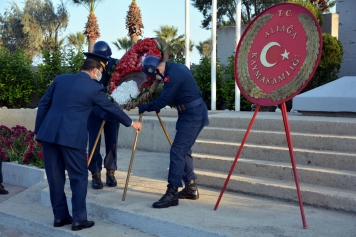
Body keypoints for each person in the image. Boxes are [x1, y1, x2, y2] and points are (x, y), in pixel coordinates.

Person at [34, 53, 142, 231]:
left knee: (55, 179)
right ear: (94, 70)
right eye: (100, 71)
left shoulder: (60, 79)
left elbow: (44, 104)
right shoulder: (94, 88)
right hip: (71, 137)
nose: (100, 74)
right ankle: (79, 220)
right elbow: (110, 108)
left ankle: (60, 217)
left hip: (48, 135)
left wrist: (39, 131)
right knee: (78, 177)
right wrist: (131, 123)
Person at [139, 56, 209, 208]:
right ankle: (190, 188)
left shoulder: (173, 75)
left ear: (157, 69)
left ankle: (172, 192)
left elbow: (163, 100)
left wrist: (145, 106)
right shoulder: (175, 68)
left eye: (155, 75)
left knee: (177, 151)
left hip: (193, 115)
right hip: (190, 113)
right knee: (184, 150)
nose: (156, 78)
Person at [87, 41, 121, 190]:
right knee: (94, 142)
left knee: (112, 142)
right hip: (94, 111)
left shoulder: (116, 65)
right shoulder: (89, 66)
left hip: (112, 111)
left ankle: (111, 173)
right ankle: (95, 174)